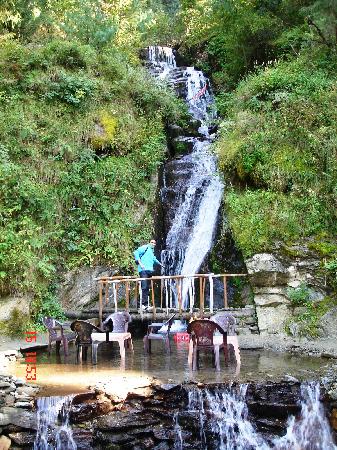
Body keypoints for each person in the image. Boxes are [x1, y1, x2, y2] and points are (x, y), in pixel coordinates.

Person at [133, 239, 162, 308]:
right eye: (152, 242)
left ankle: (146, 305)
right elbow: (135, 252)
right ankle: (142, 304)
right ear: (149, 242)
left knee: (147, 287)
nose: (153, 244)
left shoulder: (152, 251)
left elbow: (154, 259)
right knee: (144, 286)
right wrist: (140, 263)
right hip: (143, 270)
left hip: (149, 271)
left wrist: (160, 264)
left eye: (154, 243)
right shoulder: (145, 247)